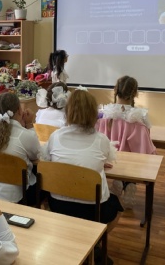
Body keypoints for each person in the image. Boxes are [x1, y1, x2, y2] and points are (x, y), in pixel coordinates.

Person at [42, 87, 123, 232]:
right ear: (93, 113)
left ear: (67, 111)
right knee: (117, 206)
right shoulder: (101, 140)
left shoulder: (55, 136)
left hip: (58, 203)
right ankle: (96, 241)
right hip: (93, 208)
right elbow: (105, 158)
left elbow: (47, 159)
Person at [100, 75, 155, 208]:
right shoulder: (140, 115)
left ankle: (118, 181)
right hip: (134, 159)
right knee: (137, 154)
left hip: (110, 157)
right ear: (135, 93)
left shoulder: (105, 113)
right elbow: (146, 136)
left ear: (115, 90)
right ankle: (130, 183)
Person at [0, 92, 40, 205]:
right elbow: (37, 155)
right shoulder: (25, 135)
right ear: (19, 110)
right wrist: (29, 124)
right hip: (16, 194)